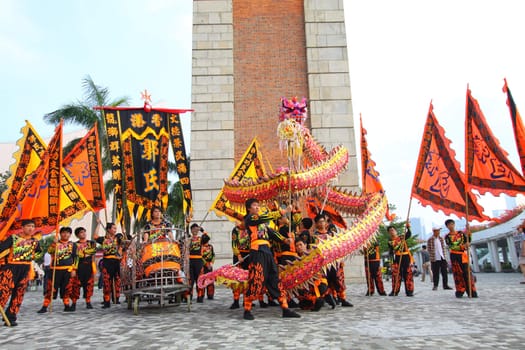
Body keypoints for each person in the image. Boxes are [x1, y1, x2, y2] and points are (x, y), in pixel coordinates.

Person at [242, 198, 300, 320]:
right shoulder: (250, 219)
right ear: (249, 208)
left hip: (267, 251)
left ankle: (285, 308)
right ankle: (247, 309)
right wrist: (282, 212)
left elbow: (272, 232)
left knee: (275, 278)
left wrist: (284, 239)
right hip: (257, 251)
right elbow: (265, 217)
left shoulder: (262, 222)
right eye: (254, 206)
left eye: (258, 205)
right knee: (256, 279)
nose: (257, 207)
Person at [0, 219, 42, 326]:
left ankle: (11, 316)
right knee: (4, 292)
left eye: (33, 226)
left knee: (19, 293)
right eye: (28, 226)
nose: (30, 228)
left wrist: (32, 255)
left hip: (25, 268)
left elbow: (38, 254)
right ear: (22, 227)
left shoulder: (35, 242)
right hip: (11, 267)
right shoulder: (13, 238)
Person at [314, 213, 353, 307]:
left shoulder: (331, 234)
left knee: (337, 279)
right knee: (325, 280)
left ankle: (343, 299)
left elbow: (337, 247)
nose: (322, 223)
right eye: (319, 222)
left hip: (333, 260)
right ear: (316, 224)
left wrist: (340, 259)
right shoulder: (315, 236)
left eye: (323, 221)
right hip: (322, 262)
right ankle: (329, 298)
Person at [38, 227, 77, 313]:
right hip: (55, 269)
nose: (65, 234)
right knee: (51, 288)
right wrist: (53, 244)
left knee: (67, 288)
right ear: (60, 234)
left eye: (67, 233)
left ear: (70, 234)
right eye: (63, 232)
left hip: (67, 269)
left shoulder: (73, 245)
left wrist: (74, 269)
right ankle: (45, 306)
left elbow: (75, 257)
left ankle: (66, 305)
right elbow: (49, 251)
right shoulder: (56, 243)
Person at [444, 219, 477, 298]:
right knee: (457, 274)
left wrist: (468, 231)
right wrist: (462, 246)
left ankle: (471, 291)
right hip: (454, 256)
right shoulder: (447, 236)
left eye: (452, 224)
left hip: (462, 255)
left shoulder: (461, 233)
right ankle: (460, 290)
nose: (450, 226)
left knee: (467, 273)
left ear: (454, 224)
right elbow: (451, 246)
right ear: (447, 226)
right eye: (449, 225)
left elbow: (468, 240)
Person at [94, 223, 124, 308]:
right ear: (109, 229)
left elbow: (125, 241)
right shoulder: (103, 239)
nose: (115, 230)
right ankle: (106, 301)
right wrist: (98, 224)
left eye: (115, 228)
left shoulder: (118, 238)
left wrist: (123, 228)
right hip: (107, 261)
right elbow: (95, 236)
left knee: (117, 280)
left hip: (116, 261)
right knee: (107, 281)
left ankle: (116, 298)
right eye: (113, 228)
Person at [70, 227, 97, 310]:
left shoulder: (91, 243)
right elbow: (75, 256)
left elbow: (93, 252)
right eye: (81, 232)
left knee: (89, 284)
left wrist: (82, 253)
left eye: (84, 232)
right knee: (76, 285)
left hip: (89, 266)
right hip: (79, 266)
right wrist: (73, 269)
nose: (84, 234)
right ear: (77, 235)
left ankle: (88, 302)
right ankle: (74, 303)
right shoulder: (74, 245)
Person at [387, 224, 414, 297]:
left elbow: (408, 234)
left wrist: (408, 228)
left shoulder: (402, 237)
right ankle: (394, 291)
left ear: (396, 231)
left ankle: (409, 291)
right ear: (388, 233)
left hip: (405, 257)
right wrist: (391, 263)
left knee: (408, 274)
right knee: (396, 275)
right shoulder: (390, 242)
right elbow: (391, 253)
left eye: (393, 230)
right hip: (397, 258)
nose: (392, 232)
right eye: (390, 231)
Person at [230, 221, 250, 309]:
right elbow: (234, 244)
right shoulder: (235, 230)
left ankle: (246, 300)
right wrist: (238, 255)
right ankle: (236, 301)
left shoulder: (251, 229)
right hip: (238, 256)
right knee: (237, 279)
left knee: (247, 279)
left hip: (249, 256)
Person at [427, 226, 452, 291]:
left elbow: (443, 247)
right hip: (434, 258)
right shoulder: (430, 239)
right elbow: (429, 249)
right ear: (434, 231)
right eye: (437, 230)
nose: (438, 232)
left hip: (442, 257)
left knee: (444, 272)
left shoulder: (441, 238)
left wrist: (445, 256)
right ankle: (435, 285)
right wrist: (431, 256)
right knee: (435, 273)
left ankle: (445, 285)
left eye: (439, 231)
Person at [198, 234, 215, 300]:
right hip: (202, 265)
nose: (207, 243)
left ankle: (210, 294)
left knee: (210, 280)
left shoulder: (211, 247)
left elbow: (213, 255)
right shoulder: (200, 247)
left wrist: (211, 263)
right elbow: (200, 256)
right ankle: (201, 294)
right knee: (202, 279)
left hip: (209, 264)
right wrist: (206, 264)